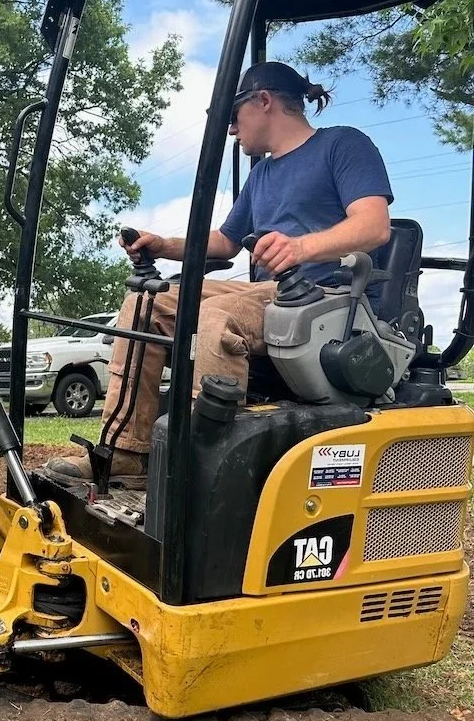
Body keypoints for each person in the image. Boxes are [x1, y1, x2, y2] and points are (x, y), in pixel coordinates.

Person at [48, 61, 394, 481]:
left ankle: (205, 472)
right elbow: (227, 241)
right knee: (144, 303)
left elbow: (374, 225)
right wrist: (163, 245)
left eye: (233, 116)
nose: (231, 130)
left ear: (264, 101)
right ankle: (126, 453)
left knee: (216, 317)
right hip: (272, 297)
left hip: (328, 301)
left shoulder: (342, 145)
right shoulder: (262, 174)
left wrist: (300, 247)